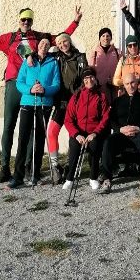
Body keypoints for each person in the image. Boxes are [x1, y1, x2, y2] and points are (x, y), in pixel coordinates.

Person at [0, 4, 81, 182]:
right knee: (9, 125)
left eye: (29, 19)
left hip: (35, 88)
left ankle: (29, 166)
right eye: (23, 19)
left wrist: (75, 21)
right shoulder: (9, 38)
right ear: (19, 20)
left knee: (33, 130)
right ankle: (5, 167)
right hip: (14, 84)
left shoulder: (40, 37)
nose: (26, 22)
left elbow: (61, 38)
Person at [9, 38, 61, 189]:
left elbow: (56, 84)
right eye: (42, 43)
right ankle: (17, 176)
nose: (44, 46)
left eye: (47, 44)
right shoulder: (28, 61)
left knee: (39, 141)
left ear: (50, 47)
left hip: (44, 104)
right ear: (37, 46)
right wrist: (30, 89)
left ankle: (35, 174)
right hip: (28, 103)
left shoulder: (53, 62)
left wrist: (45, 90)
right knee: (23, 140)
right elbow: (19, 82)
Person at [99, 73, 140, 193]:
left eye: (133, 82)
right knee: (108, 141)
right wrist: (120, 129)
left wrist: (138, 128)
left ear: (137, 82)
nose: (131, 86)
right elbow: (111, 120)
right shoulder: (117, 101)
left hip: (138, 133)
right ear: (123, 85)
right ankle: (107, 178)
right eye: (128, 83)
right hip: (122, 135)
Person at [46, 33, 88, 181]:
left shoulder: (80, 57)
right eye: (59, 43)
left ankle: (72, 165)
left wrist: (76, 97)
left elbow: (84, 80)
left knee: (74, 135)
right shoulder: (55, 57)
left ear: (69, 41)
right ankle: (55, 167)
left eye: (65, 41)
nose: (63, 44)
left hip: (75, 103)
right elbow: (40, 51)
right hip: (60, 103)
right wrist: (29, 56)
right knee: (51, 132)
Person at [63, 67, 110, 192]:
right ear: (83, 81)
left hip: (94, 132)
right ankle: (70, 178)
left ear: (95, 78)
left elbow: (105, 117)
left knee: (94, 147)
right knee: (74, 147)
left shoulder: (101, 96)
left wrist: (95, 133)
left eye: (91, 77)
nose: (89, 80)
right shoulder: (76, 96)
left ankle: (93, 177)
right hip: (78, 132)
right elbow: (68, 119)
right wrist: (76, 134)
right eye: (86, 78)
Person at [86, 28, 121, 104]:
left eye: (108, 36)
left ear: (111, 38)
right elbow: (90, 71)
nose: (106, 38)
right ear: (100, 38)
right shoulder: (94, 53)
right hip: (99, 89)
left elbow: (122, 69)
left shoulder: (117, 52)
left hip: (115, 88)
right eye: (103, 36)